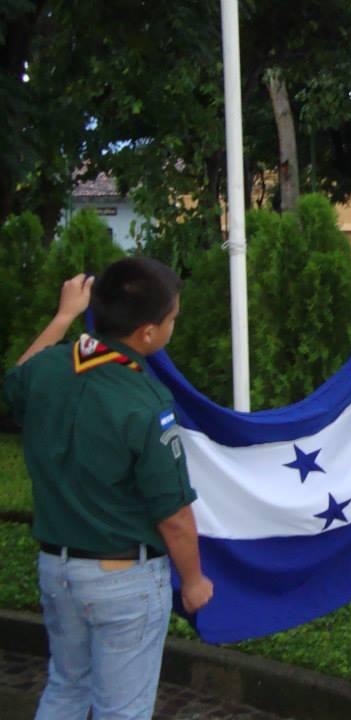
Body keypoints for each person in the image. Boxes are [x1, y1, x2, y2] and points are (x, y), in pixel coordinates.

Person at [2, 258, 214, 719]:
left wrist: (61, 319)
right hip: (124, 580)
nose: (173, 326)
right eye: (172, 318)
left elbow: (13, 385)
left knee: (65, 689)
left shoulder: (51, 369)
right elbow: (173, 514)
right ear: (147, 333)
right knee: (124, 710)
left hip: (56, 570)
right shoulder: (145, 400)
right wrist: (194, 582)